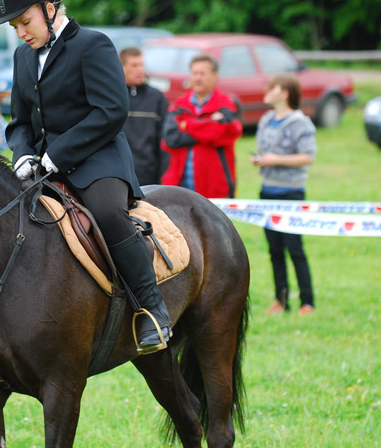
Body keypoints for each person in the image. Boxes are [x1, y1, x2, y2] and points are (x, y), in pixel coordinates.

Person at [0, 0, 170, 353]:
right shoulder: (23, 57)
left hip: (97, 161)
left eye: (26, 22)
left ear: (50, 8)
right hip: (40, 166)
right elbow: (19, 120)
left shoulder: (93, 44)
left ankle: (152, 309)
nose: (22, 32)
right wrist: (23, 153)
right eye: (15, 27)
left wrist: (56, 154)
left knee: (107, 215)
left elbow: (110, 111)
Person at [254, 74, 316, 316]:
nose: (267, 91)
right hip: (267, 191)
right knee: (274, 249)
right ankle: (281, 299)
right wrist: (261, 160)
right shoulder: (266, 120)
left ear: (285, 93)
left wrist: (276, 159)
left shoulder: (301, 123)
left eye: (272, 87)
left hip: (291, 193)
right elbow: (264, 150)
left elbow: (308, 156)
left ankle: (307, 302)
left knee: (295, 248)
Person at [161, 54, 242, 198]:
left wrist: (188, 125)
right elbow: (171, 139)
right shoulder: (179, 105)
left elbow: (218, 134)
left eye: (202, 74)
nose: (197, 78)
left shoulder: (226, 104)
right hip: (180, 187)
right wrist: (208, 125)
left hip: (215, 189)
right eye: (194, 73)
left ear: (215, 76)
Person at [119, 47, 169, 186]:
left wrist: (163, 176)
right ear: (121, 67)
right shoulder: (112, 97)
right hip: (119, 175)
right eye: (134, 65)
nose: (139, 70)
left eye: (141, 65)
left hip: (150, 176)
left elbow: (164, 142)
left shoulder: (157, 98)